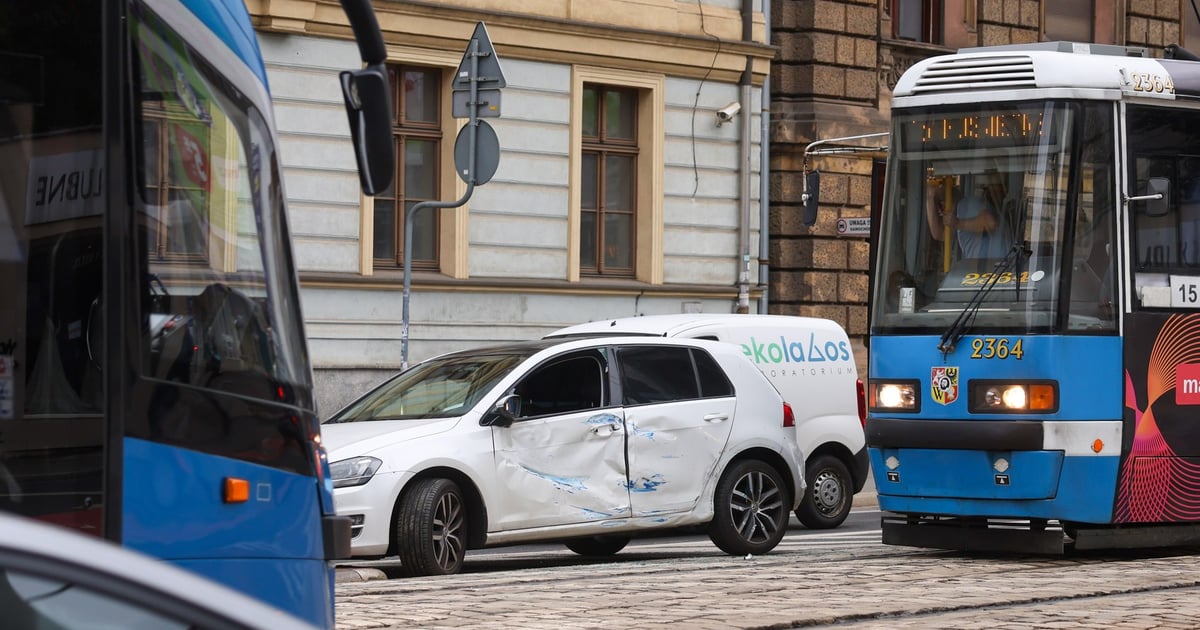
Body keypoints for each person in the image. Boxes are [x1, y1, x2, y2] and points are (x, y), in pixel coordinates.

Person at [927, 174, 1012, 259]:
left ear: (945, 204)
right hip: (986, 268)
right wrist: (930, 197)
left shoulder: (966, 205)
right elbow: (940, 234)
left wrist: (958, 223)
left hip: (999, 268)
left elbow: (991, 223)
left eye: (940, 208)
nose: (941, 214)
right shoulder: (960, 216)